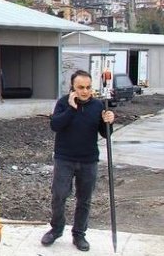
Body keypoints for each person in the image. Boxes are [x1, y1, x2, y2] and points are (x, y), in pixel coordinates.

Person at [41, 69, 115, 252]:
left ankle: (79, 234)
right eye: (80, 87)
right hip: (64, 159)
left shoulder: (98, 106)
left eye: (88, 87)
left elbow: (105, 134)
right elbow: (55, 125)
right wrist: (71, 109)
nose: (85, 91)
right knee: (59, 195)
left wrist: (109, 122)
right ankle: (56, 229)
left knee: (85, 199)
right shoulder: (63, 103)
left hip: (88, 160)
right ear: (72, 88)